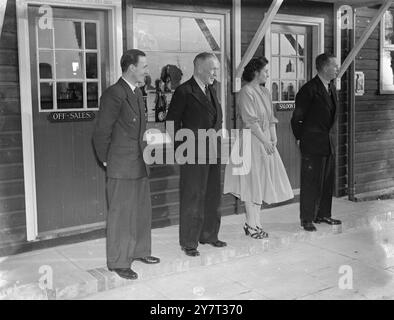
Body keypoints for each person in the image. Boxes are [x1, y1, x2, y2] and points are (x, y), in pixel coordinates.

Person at [92, 49, 160, 280]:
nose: (147, 71)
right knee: (121, 214)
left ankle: (140, 250)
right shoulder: (114, 94)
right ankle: (119, 261)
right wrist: (107, 160)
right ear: (131, 68)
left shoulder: (136, 92)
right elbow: (101, 132)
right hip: (121, 164)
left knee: (141, 210)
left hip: (139, 161)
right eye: (144, 67)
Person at [224, 57, 294, 239]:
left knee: (261, 182)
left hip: (264, 142)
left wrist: (274, 137)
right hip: (250, 142)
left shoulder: (265, 92)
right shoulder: (246, 92)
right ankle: (251, 225)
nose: (268, 74)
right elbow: (250, 122)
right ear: (256, 72)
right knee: (250, 184)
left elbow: (270, 118)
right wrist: (265, 140)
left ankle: (257, 223)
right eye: (265, 71)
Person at [166, 52, 225, 257]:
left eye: (216, 69)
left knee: (212, 195)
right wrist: (180, 150)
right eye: (213, 69)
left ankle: (209, 235)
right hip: (192, 152)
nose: (215, 73)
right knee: (193, 197)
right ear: (199, 68)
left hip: (214, 151)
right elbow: (171, 123)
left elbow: (217, 118)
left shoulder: (212, 89)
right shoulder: (184, 91)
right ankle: (189, 242)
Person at [291, 53, 342, 232]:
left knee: (327, 180)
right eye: (334, 66)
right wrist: (300, 139)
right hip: (312, 144)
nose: (337, 69)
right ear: (324, 67)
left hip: (328, 143)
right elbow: (296, 119)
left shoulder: (331, 87)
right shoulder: (308, 89)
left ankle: (323, 214)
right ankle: (307, 218)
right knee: (311, 182)